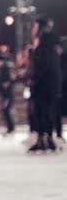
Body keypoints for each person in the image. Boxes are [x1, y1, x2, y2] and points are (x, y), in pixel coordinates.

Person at [28, 17, 61, 153]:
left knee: (44, 112)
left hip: (44, 85)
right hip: (48, 84)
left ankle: (46, 139)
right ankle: (45, 138)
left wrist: (33, 79)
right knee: (43, 111)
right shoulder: (47, 43)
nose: (33, 29)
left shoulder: (45, 45)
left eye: (35, 27)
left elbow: (43, 65)